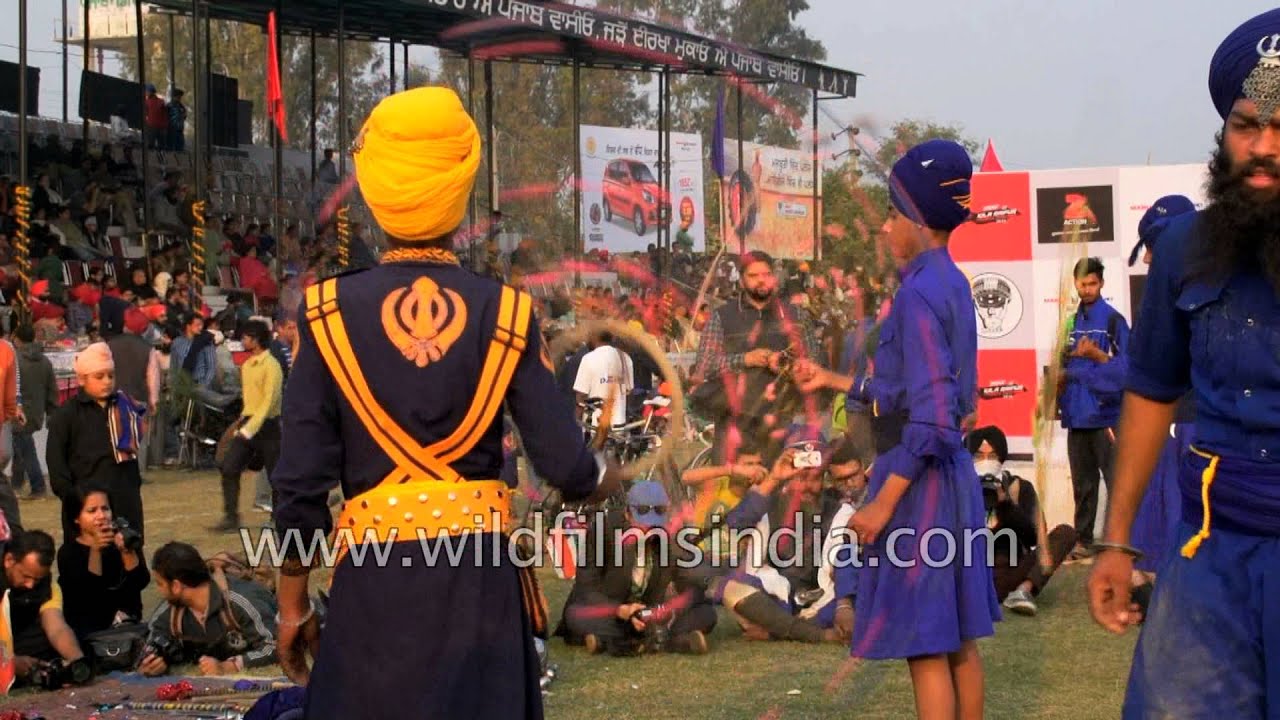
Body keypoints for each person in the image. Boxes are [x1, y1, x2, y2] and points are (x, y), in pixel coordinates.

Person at [270, 86, 619, 719]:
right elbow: (567, 467)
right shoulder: (507, 311)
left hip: (374, 586)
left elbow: (298, 489)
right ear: (458, 191)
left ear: (376, 192)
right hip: (477, 585)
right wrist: (602, 474)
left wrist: (292, 609)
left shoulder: (325, 313)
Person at [1088, 9, 1280, 717]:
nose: (1262, 147)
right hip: (1208, 558)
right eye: (1246, 125)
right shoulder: (1182, 250)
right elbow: (1150, 390)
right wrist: (1118, 543)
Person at [795, 139, 1000, 720]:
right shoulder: (953, 284)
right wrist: (834, 380)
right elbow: (924, 396)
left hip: (918, 487)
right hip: (950, 477)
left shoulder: (916, 296)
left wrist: (882, 503)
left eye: (891, 213)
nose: (885, 227)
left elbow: (932, 417)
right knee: (958, 641)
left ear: (916, 217)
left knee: (927, 648)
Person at [1124, 195, 1198, 613]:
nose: (1149, 259)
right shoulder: (1167, 291)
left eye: (1153, 246)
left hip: (1194, 425)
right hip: (1171, 421)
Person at [556, 481, 717, 656]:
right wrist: (620, 610)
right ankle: (666, 639)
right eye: (642, 524)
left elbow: (692, 584)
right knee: (576, 616)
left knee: (706, 613)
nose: (648, 529)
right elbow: (586, 587)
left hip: (650, 612)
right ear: (627, 514)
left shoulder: (671, 536)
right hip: (613, 610)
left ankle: (622, 640)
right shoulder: (604, 531)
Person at [692, 251, 820, 462]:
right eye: (753, 275)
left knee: (780, 488)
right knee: (726, 491)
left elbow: (815, 362)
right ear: (742, 280)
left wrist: (787, 364)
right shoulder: (722, 316)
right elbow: (705, 366)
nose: (761, 280)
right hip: (732, 423)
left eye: (766, 274)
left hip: (780, 422)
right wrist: (745, 359)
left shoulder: (796, 315)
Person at [1060, 256, 1130, 559]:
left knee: (1116, 481)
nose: (1086, 289)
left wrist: (1097, 356)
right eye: (1082, 283)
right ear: (1075, 283)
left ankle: (1121, 541)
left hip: (1105, 416)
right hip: (1076, 416)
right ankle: (1084, 540)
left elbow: (1129, 368)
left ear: (1101, 283)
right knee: (1083, 485)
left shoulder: (1114, 319)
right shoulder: (1069, 322)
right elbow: (1063, 363)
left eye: (1092, 283)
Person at [966, 426, 1076, 616]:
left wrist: (1007, 505)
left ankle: (1023, 591)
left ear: (1001, 457)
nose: (985, 462)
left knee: (1065, 533)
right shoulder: (961, 487)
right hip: (973, 572)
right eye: (979, 455)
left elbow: (1033, 539)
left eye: (992, 456)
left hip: (1012, 570)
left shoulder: (1019, 487)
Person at [46, 343, 147, 544]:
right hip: (87, 507)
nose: (107, 382)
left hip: (125, 500)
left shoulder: (125, 406)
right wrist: (75, 502)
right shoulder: (66, 415)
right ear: (82, 379)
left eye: (111, 375)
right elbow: (56, 466)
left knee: (130, 563)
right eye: (99, 376)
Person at [138, 542, 277, 677]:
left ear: (176, 586)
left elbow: (274, 646)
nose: (159, 590)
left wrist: (229, 666)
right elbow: (152, 640)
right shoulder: (170, 613)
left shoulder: (241, 600)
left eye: (160, 584)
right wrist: (154, 664)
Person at [214, 320, 282, 531]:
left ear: (257, 339)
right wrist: (242, 424)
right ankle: (231, 517)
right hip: (249, 421)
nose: (242, 340)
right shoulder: (247, 365)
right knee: (229, 467)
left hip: (267, 426)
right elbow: (251, 401)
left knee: (276, 476)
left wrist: (249, 428)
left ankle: (279, 517)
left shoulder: (272, 365)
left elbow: (269, 401)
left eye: (245, 337)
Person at [55, 486, 149, 640]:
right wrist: (95, 551)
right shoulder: (68, 552)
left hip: (127, 626)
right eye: (92, 511)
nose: (101, 516)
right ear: (76, 518)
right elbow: (88, 593)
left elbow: (139, 582)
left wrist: (127, 552)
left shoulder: (123, 540)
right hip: (89, 630)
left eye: (105, 509)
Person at [0, 530, 89, 688]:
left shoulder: (46, 586)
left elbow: (57, 628)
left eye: (37, 579)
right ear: (9, 560)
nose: (30, 585)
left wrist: (77, 662)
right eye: (25, 576)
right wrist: (11, 664)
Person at [11, 324, 54, 501]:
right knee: (20, 446)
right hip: (36, 411)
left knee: (25, 448)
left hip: (17, 411)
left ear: (17, 339)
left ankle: (38, 486)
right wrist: (51, 411)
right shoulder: (45, 361)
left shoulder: (14, 360)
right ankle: (16, 483)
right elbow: (52, 390)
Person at [572, 329, 634, 429]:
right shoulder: (625, 357)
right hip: (619, 425)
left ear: (594, 337)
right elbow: (629, 391)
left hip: (595, 426)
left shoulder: (588, 358)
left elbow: (581, 397)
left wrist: (574, 425)